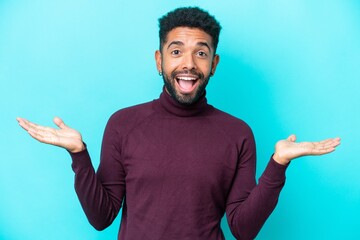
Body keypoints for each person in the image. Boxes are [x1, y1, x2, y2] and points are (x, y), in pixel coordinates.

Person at [17, 7, 340, 240]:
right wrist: (79, 155)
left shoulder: (238, 134)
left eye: (201, 53)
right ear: (159, 61)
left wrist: (278, 164)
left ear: (213, 65)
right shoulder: (123, 124)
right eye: (176, 51)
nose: (188, 64)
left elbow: (243, 229)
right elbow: (102, 218)